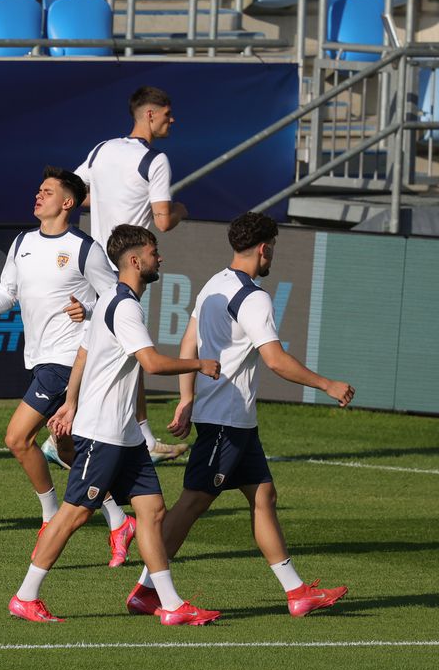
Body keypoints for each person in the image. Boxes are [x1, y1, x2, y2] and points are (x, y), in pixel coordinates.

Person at [125, 213, 354, 619]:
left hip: (237, 422)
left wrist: (186, 398)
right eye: (273, 249)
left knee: (264, 495)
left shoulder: (215, 283)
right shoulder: (253, 297)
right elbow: (276, 360)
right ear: (263, 248)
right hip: (225, 421)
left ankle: (297, 592)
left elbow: (189, 344)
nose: (272, 256)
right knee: (193, 503)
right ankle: (146, 590)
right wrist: (327, 384)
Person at [7, 225, 222, 625]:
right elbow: (151, 363)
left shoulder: (110, 298)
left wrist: (70, 402)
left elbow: (83, 352)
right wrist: (199, 364)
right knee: (74, 514)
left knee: (152, 510)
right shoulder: (123, 306)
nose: (160, 258)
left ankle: (165, 603)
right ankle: (25, 596)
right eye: (154, 252)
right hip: (103, 433)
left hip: (126, 436)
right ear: (136, 261)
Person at [0, 167, 137, 567]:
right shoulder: (22, 242)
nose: (38, 195)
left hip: (68, 359)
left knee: (17, 438)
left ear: (67, 202)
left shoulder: (84, 248)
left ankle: (49, 516)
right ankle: (119, 520)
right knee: (68, 449)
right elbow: (7, 293)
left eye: (47, 191)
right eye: (38, 190)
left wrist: (89, 309)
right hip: (41, 358)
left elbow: (116, 298)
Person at [69, 85, 191, 464]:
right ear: (150, 115)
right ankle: (69, 430)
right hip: (124, 269)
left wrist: (105, 196)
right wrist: (182, 209)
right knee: (126, 353)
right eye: (167, 114)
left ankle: (138, 436)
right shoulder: (155, 160)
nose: (173, 120)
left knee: (108, 351)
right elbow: (163, 220)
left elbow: (73, 192)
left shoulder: (102, 149)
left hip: (96, 265)